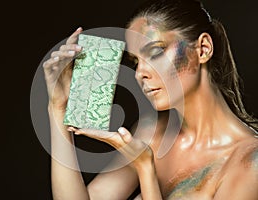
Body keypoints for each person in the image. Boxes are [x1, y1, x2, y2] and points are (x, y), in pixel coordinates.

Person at [42, 0, 258, 199]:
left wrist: (146, 170)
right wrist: (58, 108)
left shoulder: (250, 163)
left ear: (203, 49)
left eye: (155, 52)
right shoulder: (150, 132)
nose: (139, 73)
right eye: (135, 61)